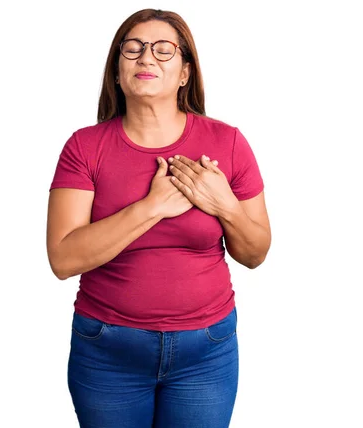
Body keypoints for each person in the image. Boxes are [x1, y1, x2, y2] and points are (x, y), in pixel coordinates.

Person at [46, 8, 271, 428]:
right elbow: (63, 258)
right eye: (132, 49)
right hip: (107, 352)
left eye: (163, 50)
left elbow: (256, 253)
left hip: (206, 351)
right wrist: (151, 207)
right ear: (117, 71)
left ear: (185, 73)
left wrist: (224, 205)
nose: (146, 58)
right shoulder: (84, 147)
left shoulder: (229, 143)